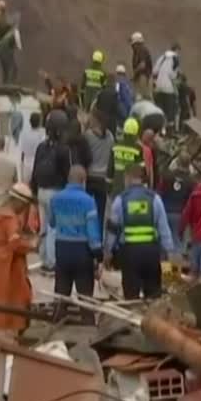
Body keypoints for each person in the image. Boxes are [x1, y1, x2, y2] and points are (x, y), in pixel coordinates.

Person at [105, 164, 174, 299]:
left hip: (129, 253)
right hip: (151, 252)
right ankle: (153, 318)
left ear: (128, 178)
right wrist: (169, 251)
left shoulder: (121, 199)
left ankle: (133, 318)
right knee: (153, 294)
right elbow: (163, 228)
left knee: (131, 294)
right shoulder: (155, 199)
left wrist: (107, 252)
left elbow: (112, 229)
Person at [0, 183, 35, 338]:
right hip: (10, 268)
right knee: (16, 298)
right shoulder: (11, 220)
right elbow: (15, 244)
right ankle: (10, 332)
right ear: (19, 202)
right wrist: (31, 245)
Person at [49, 165, 103, 302]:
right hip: (82, 251)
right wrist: (98, 255)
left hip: (62, 248)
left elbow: (52, 222)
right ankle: (87, 320)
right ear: (83, 180)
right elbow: (93, 233)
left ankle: (58, 316)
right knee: (85, 296)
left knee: (61, 292)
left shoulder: (56, 198)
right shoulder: (89, 201)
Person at [31, 115, 71, 270]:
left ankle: (43, 258)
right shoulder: (63, 149)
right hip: (57, 191)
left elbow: (35, 170)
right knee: (54, 227)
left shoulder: (41, 147)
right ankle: (52, 262)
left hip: (41, 191)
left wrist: (34, 192)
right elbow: (67, 173)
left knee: (43, 226)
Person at [160, 151, 197, 251]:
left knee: (163, 242)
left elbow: (160, 192)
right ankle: (176, 264)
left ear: (177, 162)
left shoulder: (167, 176)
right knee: (178, 244)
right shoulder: (191, 181)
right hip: (180, 214)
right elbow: (191, 201)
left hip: (165, 212)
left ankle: (164, 264)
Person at [85, 112, 114, 233]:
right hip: (102, 179)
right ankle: (98, 239)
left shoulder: (88, 136)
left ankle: (87, 236)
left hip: (90, 177)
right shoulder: (111, 137)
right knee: (100, 212)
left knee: (87, 210)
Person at [108, 117, 144, 197]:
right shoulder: (138, 149)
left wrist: (108, 186)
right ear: (136, 133)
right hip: (132, 190)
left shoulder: (115, 146)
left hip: (116, 188)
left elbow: (110, 169)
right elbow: (141, 171)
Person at [153, 44, 181, 134]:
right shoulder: (175, 59)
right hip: (168, 89)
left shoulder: (162, 57)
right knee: (170, 112)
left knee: (160, 110)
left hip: (158, 88)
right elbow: (172, 75)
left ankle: (159, 131)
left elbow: (155, 71)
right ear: (176, 50)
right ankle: (169, 133)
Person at [0, 0, 20, 84]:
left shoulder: (3, 18)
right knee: (7, 68)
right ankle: (6, 84)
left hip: (4, 45)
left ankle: (6, 83)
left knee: (7, 68)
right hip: (1, 46)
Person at [19, 112, 45, 183]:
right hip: (39, 163)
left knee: (26, 187)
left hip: (26, 163)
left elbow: (22, 152)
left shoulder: (24, 133)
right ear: (40, 122)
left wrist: (21, 165)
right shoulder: (43, 133)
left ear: (30, 122)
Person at [130, 32, 153, 99]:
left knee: (143, 99)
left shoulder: (142, 50)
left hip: (144, 77)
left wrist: (134, 74)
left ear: (137, 43)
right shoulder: (137, 52)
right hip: (141, 77)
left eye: (133, 44)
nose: (132, 46)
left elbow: (142, 65)